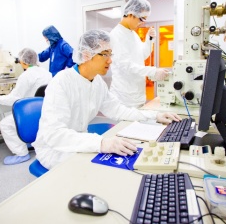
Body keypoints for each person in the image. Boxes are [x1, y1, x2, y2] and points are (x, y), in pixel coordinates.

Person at [32, 29, 182, 170]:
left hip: (80, 140)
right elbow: (55, 135)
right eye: (104, 54)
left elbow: (117, 110)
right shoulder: (61, 82)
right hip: (54, 149)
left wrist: (154, 116)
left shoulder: (97, 82)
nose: (110, 60)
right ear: (86, 55)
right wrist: (102, 143)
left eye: (111, 54)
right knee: (100, 169)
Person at [0, 48, 52, 165]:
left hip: (32, 113)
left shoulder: (26, 75)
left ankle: (21, 154)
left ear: (23, 62)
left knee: (5, 124)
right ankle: (30, 141)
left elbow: (13, 99)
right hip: (45, 111)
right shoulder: (46, 73)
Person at [109, 0, 170, 108]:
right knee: (125, 125)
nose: (143, 23)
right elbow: (126, 66)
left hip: (137, 95)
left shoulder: (133, 34)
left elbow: (142, 55)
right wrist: (153, 71)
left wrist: (149, 39)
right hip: (123, 99)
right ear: (131, 14)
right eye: (142, 19)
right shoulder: (116, 35)